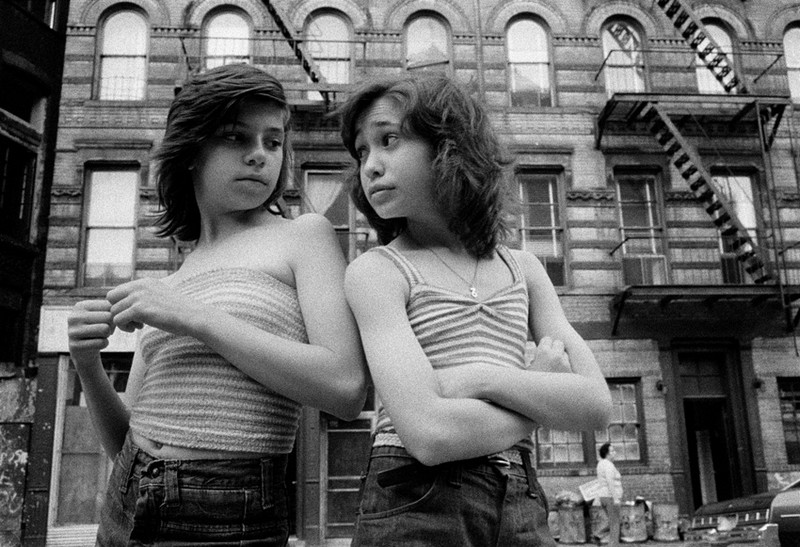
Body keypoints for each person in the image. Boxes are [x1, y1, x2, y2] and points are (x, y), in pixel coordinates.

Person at [67, 63, 367, 546]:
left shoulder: (302, 237)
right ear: (191, 151)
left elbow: (346, 387)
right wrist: (86, 364)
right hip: (124, 499)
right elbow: (125, 440)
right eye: (235, 137)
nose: (259, 155)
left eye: (273, 141)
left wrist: (195, 318)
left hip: (230, 510)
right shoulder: (178, 276)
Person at [338, 74, 613, 546]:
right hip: (414, 495)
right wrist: (538, 389)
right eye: (362, 152)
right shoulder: (378, 272)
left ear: (450, 148)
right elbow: (430, 435)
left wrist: (482, 378)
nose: (371, 165)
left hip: (520, 496)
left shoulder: (523, 269)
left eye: (389, 140)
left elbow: (595, 405)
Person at [596, 442, 624, 545]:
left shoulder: (600, 464)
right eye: (612, 451)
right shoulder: (608, 465)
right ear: (607, 453)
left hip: (604, 496)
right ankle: (613, 544)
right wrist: (615, 498)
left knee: (612, 520)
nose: (614, 453)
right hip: (610, 496)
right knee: (615, 523)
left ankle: (598, 534)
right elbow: (610, 481)